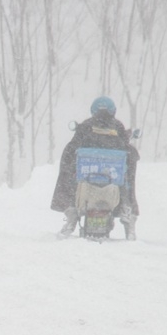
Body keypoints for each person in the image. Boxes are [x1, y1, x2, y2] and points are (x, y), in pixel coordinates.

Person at [51, 96, 140, 239]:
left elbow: (72, 148)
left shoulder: (86, 126)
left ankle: (71, 211)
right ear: (113, 111)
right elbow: (125, 145)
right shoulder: (117, 126)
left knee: (69, 178)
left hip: (86, 178)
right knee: (126, 179)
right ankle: (127, 210)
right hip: (113, 179)